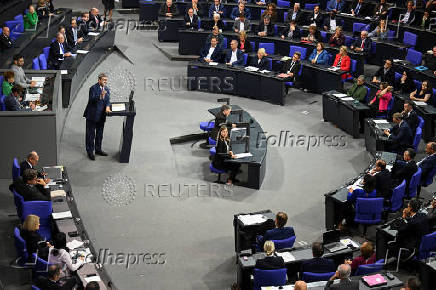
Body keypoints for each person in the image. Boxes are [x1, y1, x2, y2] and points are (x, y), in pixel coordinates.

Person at [83, 73, 112, 160]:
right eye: (103, 80)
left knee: (99, 134)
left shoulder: (106, 89)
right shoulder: (93, 88)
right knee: (90, 135)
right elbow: (91, 100)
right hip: (92, 115)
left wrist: (107, 106)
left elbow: (108, 100)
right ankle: (90, 152)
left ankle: (98, 149)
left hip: (101, 115)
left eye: (106, 80)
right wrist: (100, 96)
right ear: (99, 80)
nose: (105, 81)